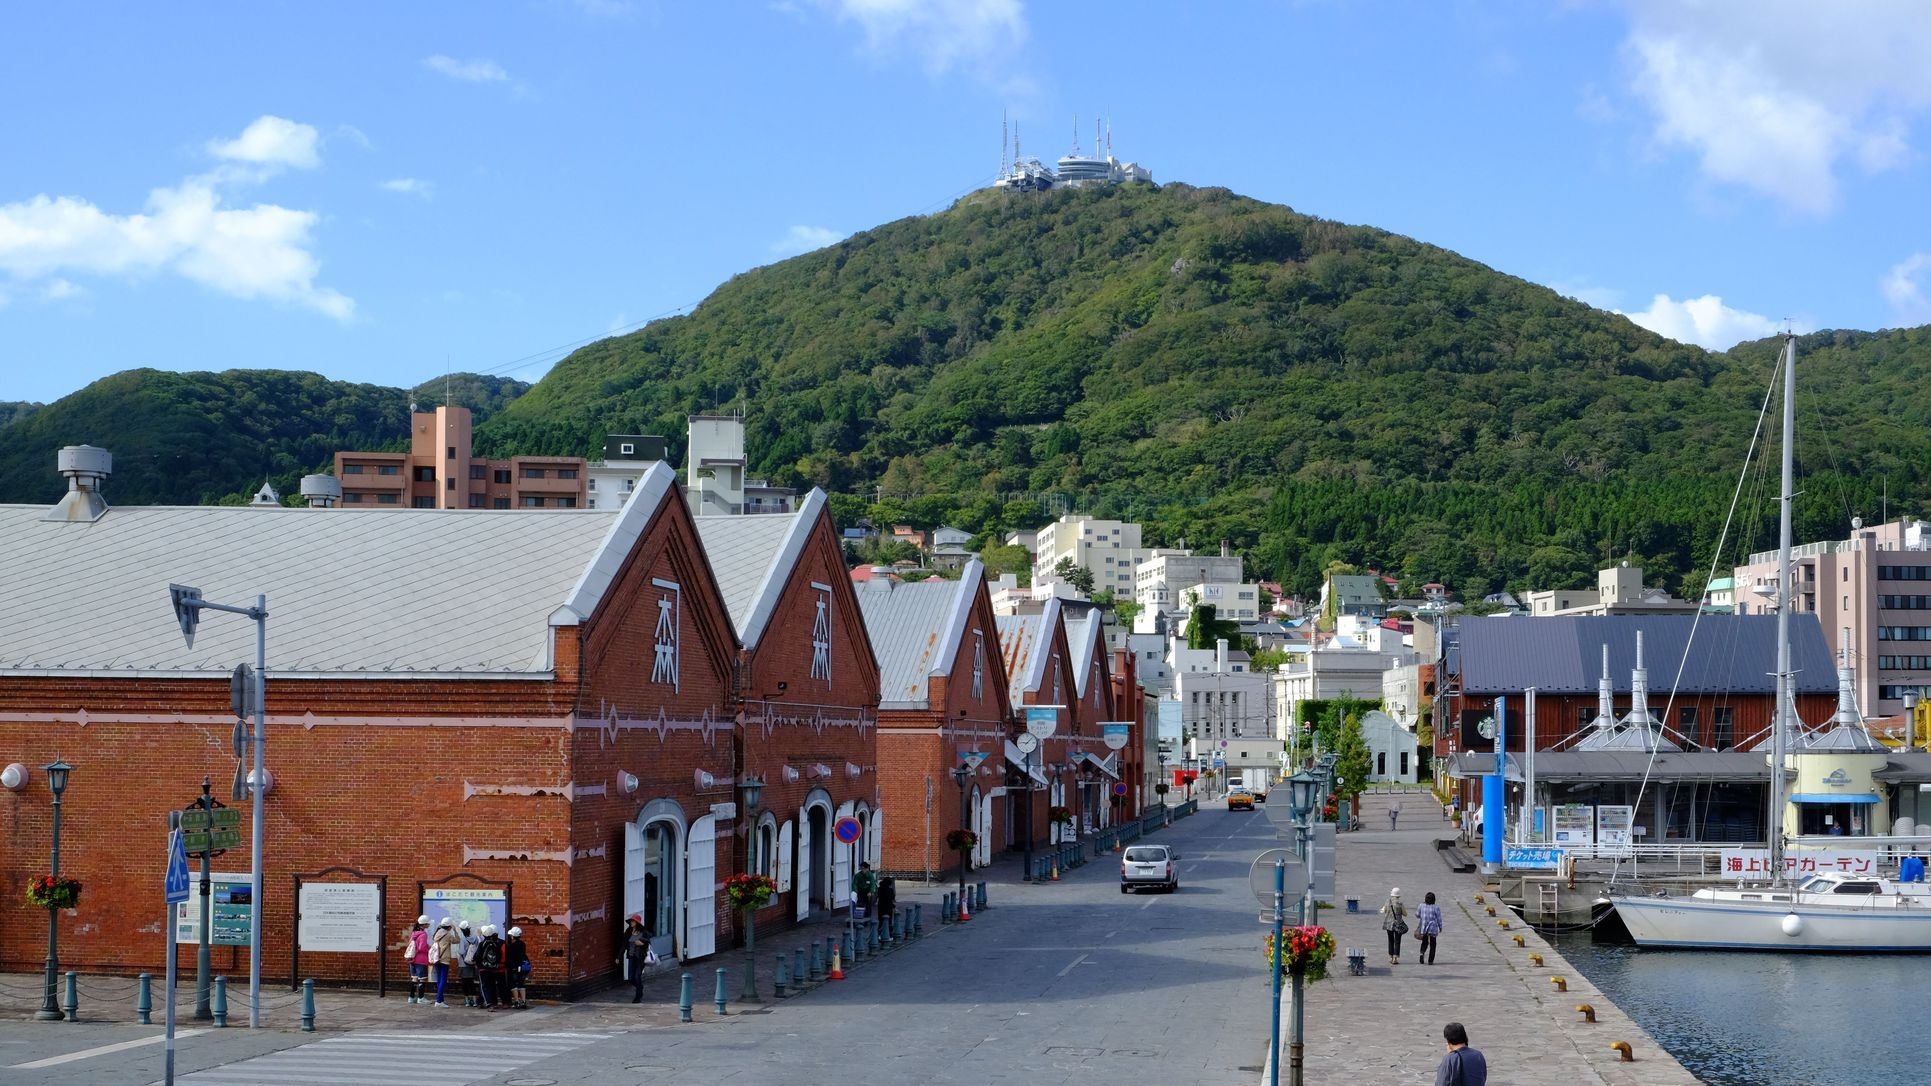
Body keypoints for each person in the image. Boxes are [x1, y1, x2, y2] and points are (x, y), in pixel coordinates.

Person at [1435, 1021, 1488, 1085]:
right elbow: (1483, 1077)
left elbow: (1442, 1082)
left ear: (1448, 1040)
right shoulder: (1478, 1055)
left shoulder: (1450, 1059)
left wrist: (1451, 1055)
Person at [476, 924, 507, 1010]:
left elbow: (477, 956)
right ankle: (493, 1002)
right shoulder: (496, 944)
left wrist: (477, 962)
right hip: (493, 968)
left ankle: (489, 1003)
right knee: (492, 985)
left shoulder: (482, 943)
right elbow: (500, 955)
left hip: (483, 968)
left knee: (484, 986)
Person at [429, 917, 458, 1007]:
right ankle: (439, 1001)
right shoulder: (448, 935)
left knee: (439, 979)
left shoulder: (437, 933)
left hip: (437, 958)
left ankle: (440, 999)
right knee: (443, 979)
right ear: (449, 926)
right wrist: (455, 930)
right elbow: (457, 940)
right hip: (444, 959)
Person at [624, 914, 653, 1003]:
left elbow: (647, 942)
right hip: (631, 956)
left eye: (633, 921)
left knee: (637, 976)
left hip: (640, 957)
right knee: (631, 978)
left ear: (637, 923)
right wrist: (619, 955)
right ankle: (639, 987)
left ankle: (638, 996)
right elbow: (624, 943)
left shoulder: (643, 932)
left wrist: (640, 943)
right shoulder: (628, 931)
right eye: (631, 921)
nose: (632, 923)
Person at [404, 915, 431, 1004]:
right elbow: (421, 948)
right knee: (422, 979)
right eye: (428, 923)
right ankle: (421, 998)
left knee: (414, 979)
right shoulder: (423, 934)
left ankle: (411, 997)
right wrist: (429, 947)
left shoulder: (414, 933)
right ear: (424, 924)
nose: (429, 924)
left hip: (413, 959)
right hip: (421, 959)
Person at [456, 920, 482, 1007]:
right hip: (472, 964)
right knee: (472, 983)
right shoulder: (475, 938)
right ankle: (475, 1001)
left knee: (464, 984)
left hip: (463, 964)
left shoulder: (462, 939)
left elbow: (461, 951)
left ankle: (467, 1001)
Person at [1380, 887, 1408, 966]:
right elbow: (1405, 914)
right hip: (1398, 924)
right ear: (1399, 896)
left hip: (1388, 924)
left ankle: (1390, 956)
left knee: (1390, 940)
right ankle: (1395, 957)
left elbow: (1383, 910)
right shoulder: (1400, 904)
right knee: (1397, 941)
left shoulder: (1387, 902)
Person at [505, 926, 530, 1009]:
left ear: (512, 936)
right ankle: (523, 1001)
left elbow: (509, 958)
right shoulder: (523, 944)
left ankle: (516, 1002)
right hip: (522, 967)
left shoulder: (511, 946)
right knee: (521, 984)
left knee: (513, 984)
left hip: (513, 967)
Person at [1416, 891, 1443, 964]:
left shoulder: (1421, 905)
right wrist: (1440, 927)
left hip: (1424, 927)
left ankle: (1422, 953)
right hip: (1433, 928)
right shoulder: (1436, 907)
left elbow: (1417, 915)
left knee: (1424, 942)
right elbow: (1439, 919)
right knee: (1433, 944)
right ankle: (1430, 960)